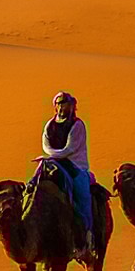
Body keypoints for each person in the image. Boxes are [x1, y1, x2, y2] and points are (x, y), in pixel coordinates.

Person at [39, 91, 93, 242]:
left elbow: (70, 149)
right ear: (55, 106)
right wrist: (50, 156)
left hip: (75, 164)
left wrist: (52, 155)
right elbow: (45, 145)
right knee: (33, 184)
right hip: (54, 160)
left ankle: (88, 233)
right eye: (60, 103)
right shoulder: (50, 125)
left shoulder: (77, 125)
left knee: (83, 194)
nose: (63, 106)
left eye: (66, 103)